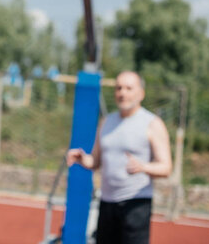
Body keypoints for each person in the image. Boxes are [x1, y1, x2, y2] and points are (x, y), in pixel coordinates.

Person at [67, 71, 172, 244]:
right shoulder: (107, 122)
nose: (122, 93)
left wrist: (143, 167)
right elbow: (95, 161)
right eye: (119, 88)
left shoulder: (152, 123)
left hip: (135, 204)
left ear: (141, 93)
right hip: (107, 203)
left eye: (129, 88)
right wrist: (82, 159)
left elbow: (166, 167)